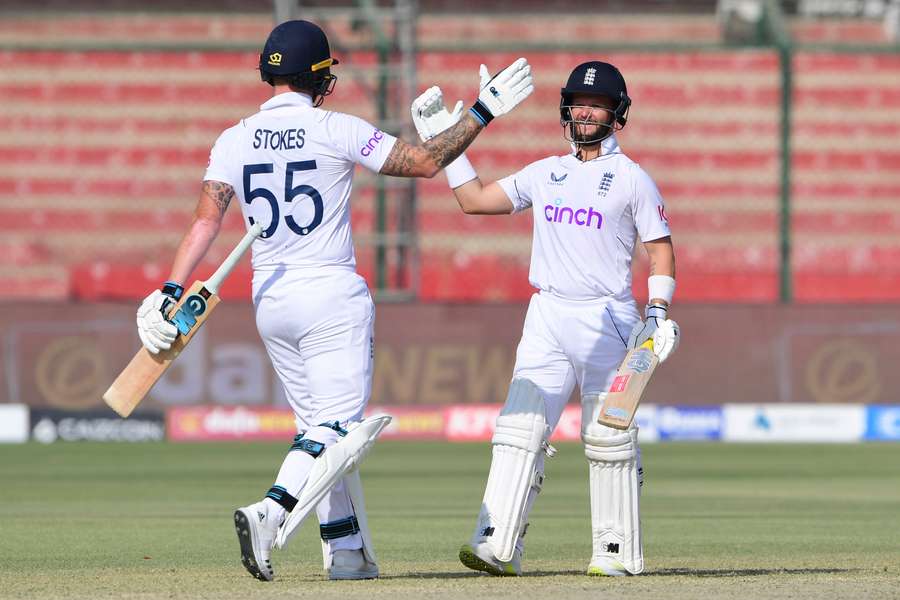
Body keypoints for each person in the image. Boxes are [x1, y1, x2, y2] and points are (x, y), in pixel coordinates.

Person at [133, 19, 533, 582]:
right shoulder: (334, 127)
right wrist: (482, 112)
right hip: (328, 291)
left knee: (318, 432)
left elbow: (206, 220)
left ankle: (347, 553)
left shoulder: (233, 137)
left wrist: (171, 289)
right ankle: (269, 514)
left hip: (269, 298)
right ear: (318, 76)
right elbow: (420, 163)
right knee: (338, 431)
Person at [410, 61, 680, 577]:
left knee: (608, 437)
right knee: (518, 428)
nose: (585, 110)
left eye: (596, 103)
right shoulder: (544, 171)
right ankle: (495, 544)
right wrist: (449, 142)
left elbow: (660, 253)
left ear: (616, 113)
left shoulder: (633, 179)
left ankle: (616, 554)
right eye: (578, 101)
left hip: (608, 317)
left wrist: (658, 314)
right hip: (547, 315)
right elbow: (473, 201)